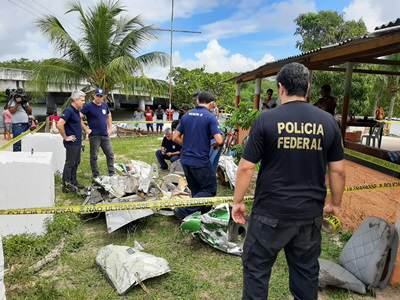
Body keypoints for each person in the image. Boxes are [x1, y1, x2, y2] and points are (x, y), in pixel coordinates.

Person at [232, 62, 346, 300]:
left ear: (281, 87)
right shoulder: (328, 122)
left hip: (269, 214)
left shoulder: (266, 120)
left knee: (256, 270)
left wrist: (238, 202)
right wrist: (335, 203)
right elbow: (337, 171)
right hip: (309, 215)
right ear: (308, 88)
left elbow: (245, 167)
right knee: (305, 274)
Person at [173, 91, 224, 219]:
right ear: (212, 104)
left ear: (197, 101)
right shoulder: (210, 117)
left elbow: (175, 137)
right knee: (209, 190)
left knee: (196, 189)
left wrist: (188, 145)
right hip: (200, 161)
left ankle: (202, 213)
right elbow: (219, 140)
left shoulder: (186, 115)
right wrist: (211, 145)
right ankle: (182, 212)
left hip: (185, 159)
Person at [57, 90, 89, 193]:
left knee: (76, 162)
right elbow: (59, 124)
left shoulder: (76, 111)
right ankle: (66, 185)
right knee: (70, 163)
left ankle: (73, 182)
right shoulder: (69, 111)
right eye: (82, 100)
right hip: (71, 143)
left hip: (77, 142)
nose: (84, 102)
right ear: (75, 100)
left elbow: (78, 123)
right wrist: (65, 137)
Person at [81, 88, 115, 179]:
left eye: (101, 96)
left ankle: (112, 173)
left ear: (103, 96)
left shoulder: (104, 105)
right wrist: (86, 129)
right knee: (94, 156)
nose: (99, 98)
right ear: (94, 96)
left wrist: (110, 128)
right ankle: (96, 175)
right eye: (98, 96)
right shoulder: (88, 106)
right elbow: (78, 117)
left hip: (105, 135)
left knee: (110, 154)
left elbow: (109, 115)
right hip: (94, 136)